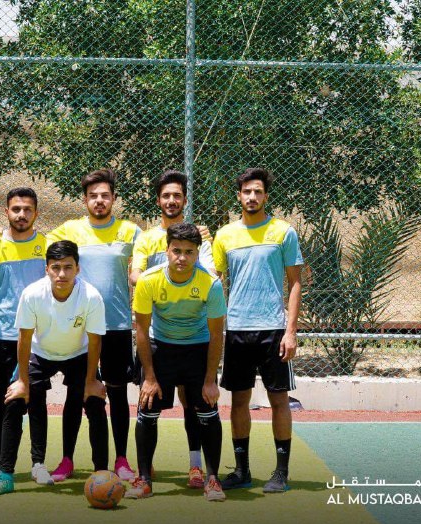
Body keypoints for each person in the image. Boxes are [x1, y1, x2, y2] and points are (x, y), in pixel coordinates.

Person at [0, 240, 109, 496]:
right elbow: (25, 338)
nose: (62, 274)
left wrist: (91, 379)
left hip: (78, 353)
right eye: (56, 268)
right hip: (41, 352)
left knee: (94, 401)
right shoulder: (32, 294)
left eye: (68, 268)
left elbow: (95, 341)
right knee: (15, 400)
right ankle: (6, 474)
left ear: (78, 269)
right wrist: (23, 382)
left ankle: (102, 473)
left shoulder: (91, 296)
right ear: (47, 269)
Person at [212, 168, 304, 493]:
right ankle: (242, 470)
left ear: (266, 196)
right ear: (238, 196)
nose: (252, 197)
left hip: (273, 331)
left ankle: (281, 472)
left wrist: (290, 332)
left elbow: (295, 284)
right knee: (239, 401)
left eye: (258, 192)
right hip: (237, 330)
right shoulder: (224, 236)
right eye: (247, 191)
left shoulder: (283, 232)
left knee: (279, 400)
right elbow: (214, 282)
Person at [47, 169, 140, 481]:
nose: (99, 200)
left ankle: (123, 460)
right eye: (93, 196)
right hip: (79, 327)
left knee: (116, 393)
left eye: (104, 195)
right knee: (77, 393)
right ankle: (67, 460)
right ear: (84, 199)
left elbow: (158, 251)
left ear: (113, 198)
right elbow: (34, 244)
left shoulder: (130, 231)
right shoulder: (69, 230)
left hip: (116, 326)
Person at [126, 223, 227, 502]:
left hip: (197, 348)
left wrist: (210, 380)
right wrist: (149, 377)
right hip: (162, 349)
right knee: (147, 410)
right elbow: (142, 331)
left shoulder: (211, 283)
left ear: (197, 254)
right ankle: (144, 479)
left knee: (207, 410)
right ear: (167, 251)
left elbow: (217, 334)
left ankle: (212, 479)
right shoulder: (148, 280)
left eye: (189, 252)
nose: (182, 257)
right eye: (176, 251)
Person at [129, 169, 215, 489]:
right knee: (150, 398)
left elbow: (210, 276)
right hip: (156, 331)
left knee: (192, 402)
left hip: (191, 332)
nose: (171, 200)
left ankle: (195, 466)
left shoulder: (197, 236)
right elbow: (135, 276)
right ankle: (145, 469)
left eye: (177, 195)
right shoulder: (147, 237)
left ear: (184, 200)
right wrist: (164, 283)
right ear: (158, 200)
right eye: (166, 195)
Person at [0, 187, 51, 487]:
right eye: (16, 209)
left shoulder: (47, 246)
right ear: (6, 212)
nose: (21, 215)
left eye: (27, 209)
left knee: (37, 398)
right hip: (0, 338)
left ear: (36, 213)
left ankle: (39, 463)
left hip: (38, 337)